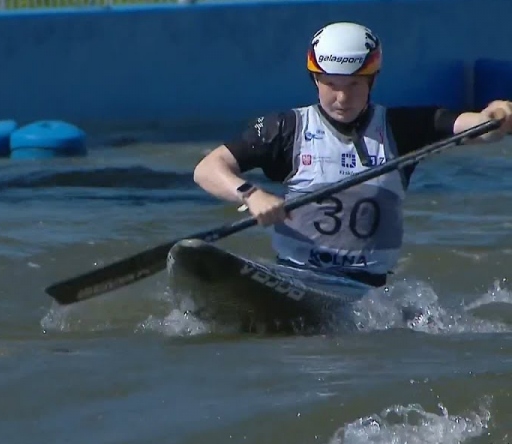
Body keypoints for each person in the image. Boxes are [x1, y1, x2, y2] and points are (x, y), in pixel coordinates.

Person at [193, 21, 512, 288]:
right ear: (314, 79)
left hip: (367, 290)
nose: (342, 97)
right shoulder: (285, 128)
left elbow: (478, 128)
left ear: (372, 81)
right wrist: (251, 194)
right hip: (297, 278)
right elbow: (208, 169)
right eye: (330, 84)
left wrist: (496, 114)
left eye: (354, 85)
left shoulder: (402, 128)